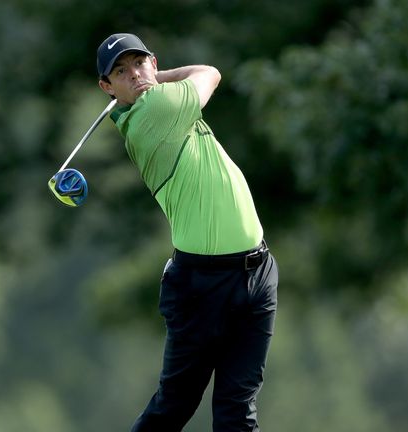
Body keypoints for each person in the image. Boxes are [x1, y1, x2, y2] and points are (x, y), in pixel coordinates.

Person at [96, 33, 279, 432]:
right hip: (202, 285)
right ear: (107, 88)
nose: (136, 75)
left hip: (257, 272)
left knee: (238, 409)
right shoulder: (154, 112)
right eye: (121, 72)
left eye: (141, 64)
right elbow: (209, 73)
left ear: (153, 62)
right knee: (174, 408)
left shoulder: (166, 104)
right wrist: (162, 79)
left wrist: (155, 78)